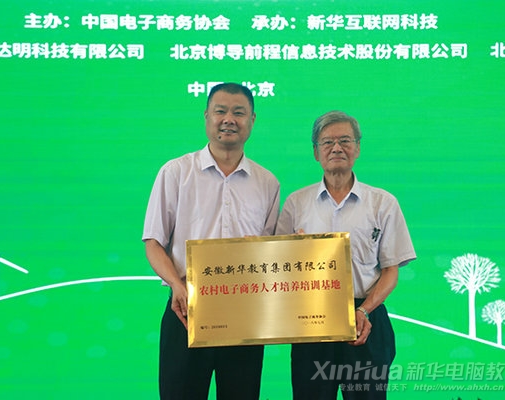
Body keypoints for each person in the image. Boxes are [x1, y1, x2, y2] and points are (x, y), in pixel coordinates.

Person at [142, 82, 280, 400]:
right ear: (206, 116)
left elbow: (271, 254)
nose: (229, 119)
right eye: (220, 111)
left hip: (244, 318)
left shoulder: (267, 183)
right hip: (186, 311)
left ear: (252, 120)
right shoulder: (176, 172)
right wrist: (177, 286)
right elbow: (153, 242)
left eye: (238, 112)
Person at [275, 110, 416, 399]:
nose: (336, 148)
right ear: (316, 152)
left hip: (366, 318)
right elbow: (278, 266)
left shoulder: (382, 203)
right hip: (312, 321)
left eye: (345, 140)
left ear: (358, 147)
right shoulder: (296, 203)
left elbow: (391, 270)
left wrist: (364, 311)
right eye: (327, 142)